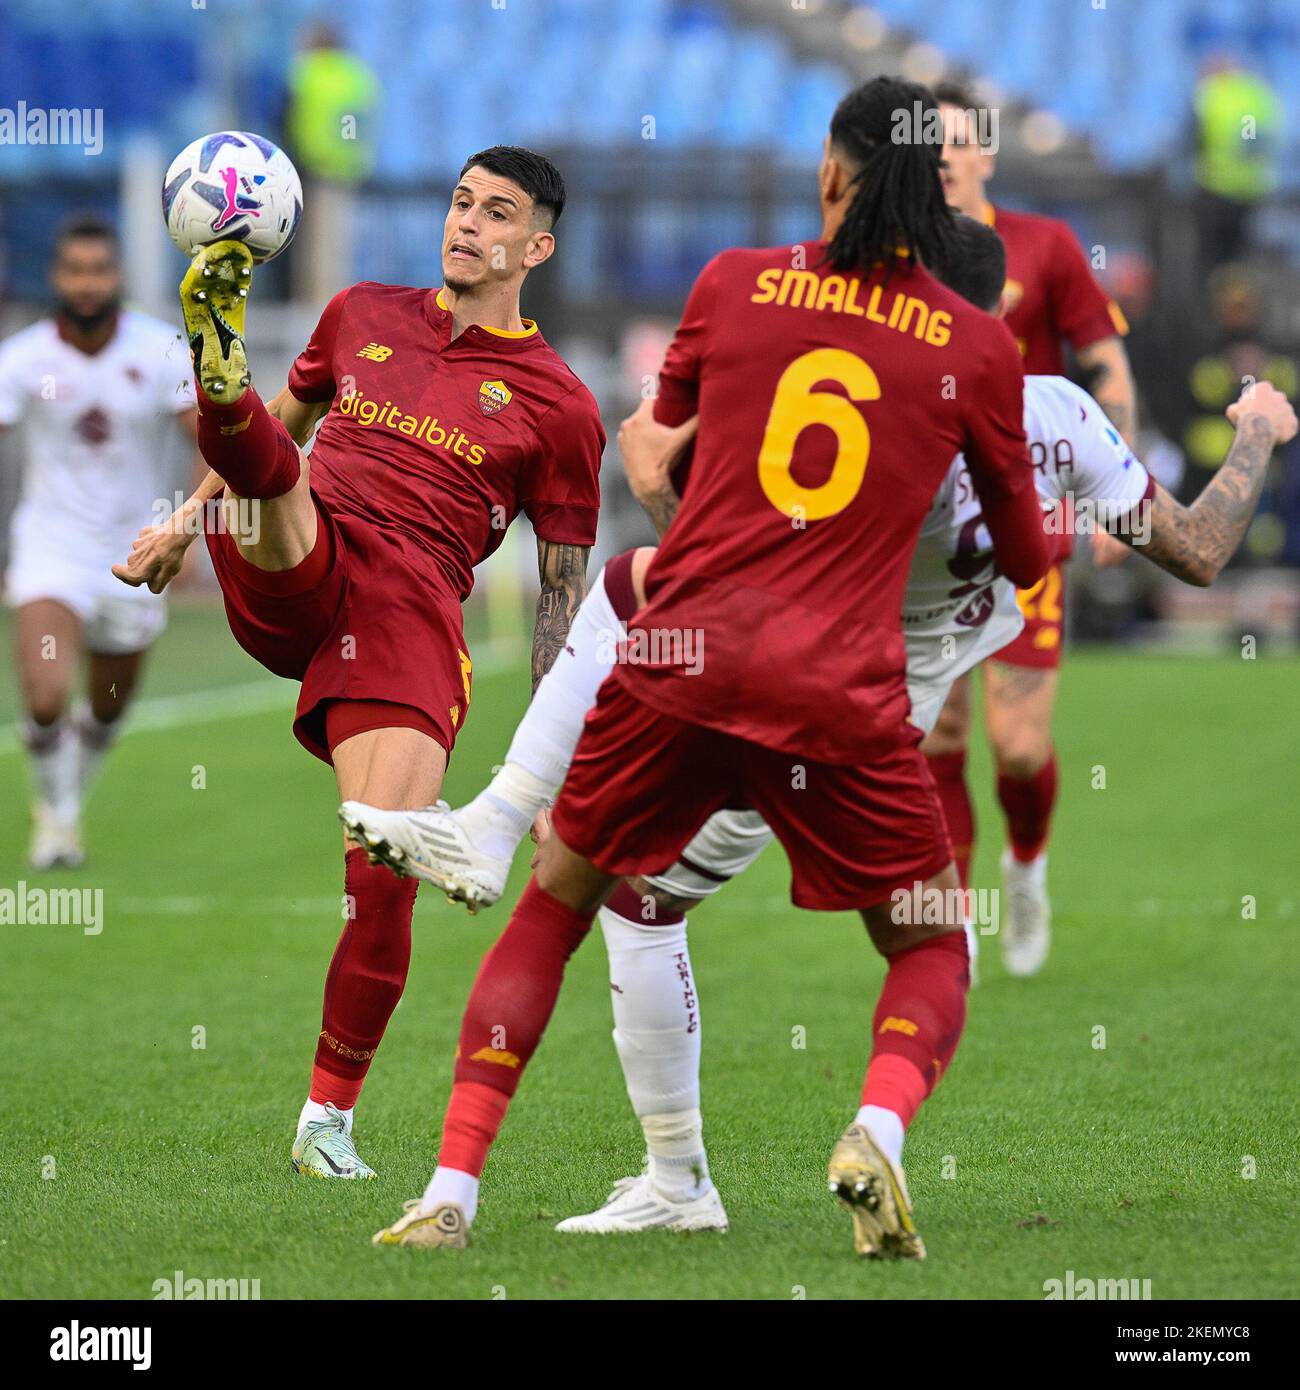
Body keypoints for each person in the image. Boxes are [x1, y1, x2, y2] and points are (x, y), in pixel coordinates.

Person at [348, 217, 1295, 1237]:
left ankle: (657, 1167)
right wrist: (1259, 431)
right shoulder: (1059, 414)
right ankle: (862, 1131)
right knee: (930, 943)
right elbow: (1195, 548)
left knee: (621, 867)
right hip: (876, 721)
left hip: (775, 681)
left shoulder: (873, 397)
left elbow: (724, 553)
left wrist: (654, 469)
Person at [358, 76, 1052, 1258]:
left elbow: (653, 459)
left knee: (560, 898)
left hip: (682, 660)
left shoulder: (733, 281)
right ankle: (873, 1127)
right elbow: (1028, 550)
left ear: (831, 173)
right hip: (840, 688)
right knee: (933, 937)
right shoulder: (979, 347)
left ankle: (450, 1193)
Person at [114, 146, 604, 1182]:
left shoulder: (560, 406)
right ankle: (219, 362)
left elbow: (563, 597)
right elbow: (284, 434)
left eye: (497, 212)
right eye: (459, 200)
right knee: (280, 472)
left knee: (382, 866)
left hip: (408, 615)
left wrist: (559, 767)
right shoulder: (359, 314)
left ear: (538, 247)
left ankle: (325, 1123)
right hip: (301, 546)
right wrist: (178, 523)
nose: (467, 223)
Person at [927, 81, 1141, 975]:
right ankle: (953, 925)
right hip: (927, 530)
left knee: (1018, 748)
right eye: (923, 144)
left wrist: (1112, 491)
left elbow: (1109, 369)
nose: (940, 158)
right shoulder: (890, 254)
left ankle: (1026, 870)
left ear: (988, 155)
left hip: (1025, 518)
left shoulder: (1046, 246)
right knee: (941, 737)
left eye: (954, 144)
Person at [0, 214, 197, 868]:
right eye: (75, 271)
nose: (87, 284)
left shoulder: (158, 349)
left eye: (99, 270)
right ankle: (56, 823)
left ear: (117, 276)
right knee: (46, 696)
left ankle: (63, 812)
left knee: (107, 710)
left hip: (134, 554)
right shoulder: (22, 359)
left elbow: (212, 440)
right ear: (57, 276)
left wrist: (196, 528)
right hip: (49, 550)